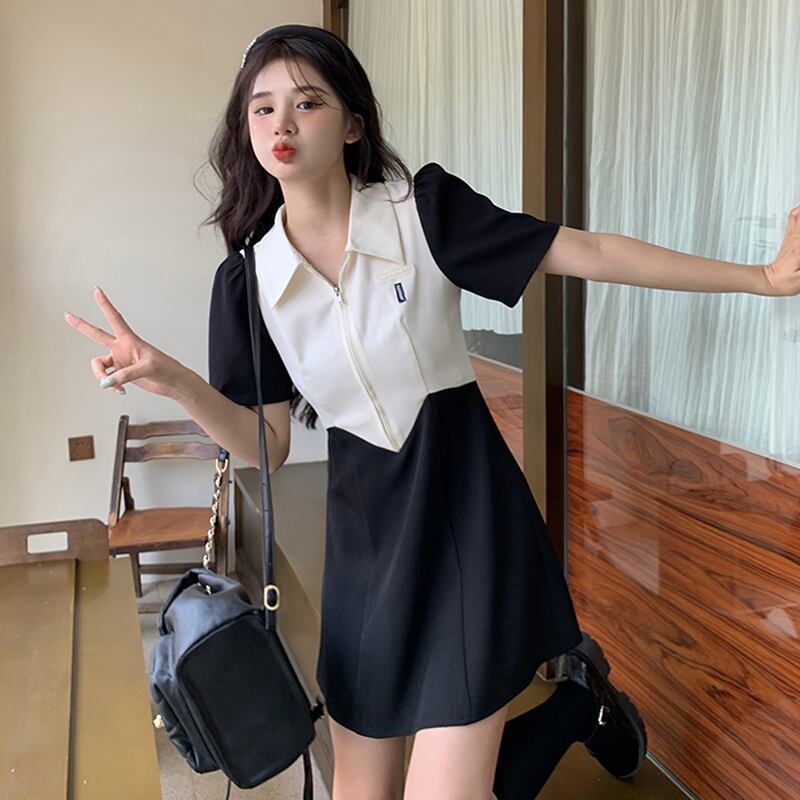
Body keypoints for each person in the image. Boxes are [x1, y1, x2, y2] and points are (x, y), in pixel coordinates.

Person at [64, 23, 800, 800]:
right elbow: (267, 444)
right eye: (263, 108)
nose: (283, 123)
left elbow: (585, 251)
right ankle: (580, 701)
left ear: (352, 124)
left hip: (467, 517)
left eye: (308, 102)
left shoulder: (422, 213)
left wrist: (761, 277)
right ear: (245, 130)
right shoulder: (247, 281)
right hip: (366, 543)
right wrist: (174, 380)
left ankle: (575, 702)